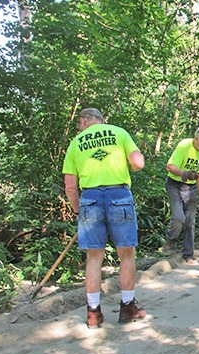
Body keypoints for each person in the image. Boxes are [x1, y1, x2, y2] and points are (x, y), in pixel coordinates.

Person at [63, 108, 146, 328]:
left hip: (89, 198)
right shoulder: (119, 133)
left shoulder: (75, 143)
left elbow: (70, 186)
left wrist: (78, 209)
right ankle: (128, 308)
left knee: (93, 258)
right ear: (101, 121)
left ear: (83, 121)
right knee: (126, 254)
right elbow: (138, 163)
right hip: (118, 195)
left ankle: (93, 314)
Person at [163, 126, 199, 264]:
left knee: (190, 221)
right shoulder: (184, 145)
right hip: (174, 184)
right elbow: (170, 167)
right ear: (196, 139)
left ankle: (188, 254)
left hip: (190, 187)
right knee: (179, 217)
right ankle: (170, 240)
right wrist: (184, 173)